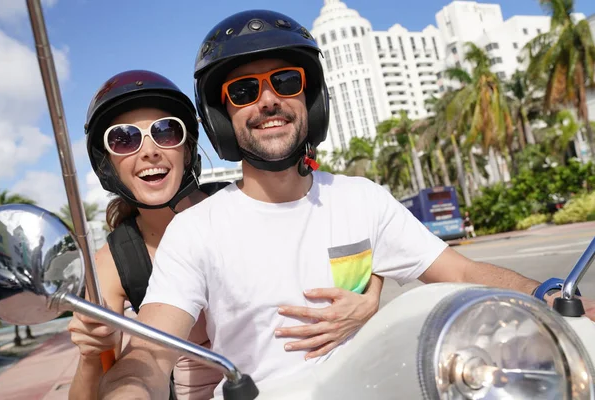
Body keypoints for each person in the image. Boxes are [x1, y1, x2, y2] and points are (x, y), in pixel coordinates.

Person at [98, 10, 595, 399]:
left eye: (286, 82)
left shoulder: (361, 198)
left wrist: (548, 292)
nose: (268, 100)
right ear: (222, 117)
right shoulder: (197, 230)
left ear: (310, 99)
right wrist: (129, 388)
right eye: (245, 90)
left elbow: (460, 274)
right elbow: (151, 351)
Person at [67, 69, 383, 400]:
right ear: (107, 164)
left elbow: (350, 235)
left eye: (166, 131)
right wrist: (91, 356)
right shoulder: (113, 263)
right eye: (125, 138)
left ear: (187, 149)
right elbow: (119, 376)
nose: (149, 151)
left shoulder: (242, 202)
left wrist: (370, 295)